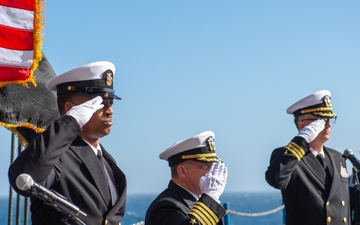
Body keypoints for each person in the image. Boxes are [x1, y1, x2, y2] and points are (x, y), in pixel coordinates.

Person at [8, 61, 127, 225]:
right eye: (99, 104)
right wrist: (69, 122)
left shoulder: (107, 160)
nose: (109, 111)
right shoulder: (56, 155)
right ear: (71, 109)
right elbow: (24, 177)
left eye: (110, 103)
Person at [265, 90, 350, 225]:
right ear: (302, 125)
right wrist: (301, 140)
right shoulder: (288, 157)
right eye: (321, 120)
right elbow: (276, 179)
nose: (328, 125)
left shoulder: (338, 158)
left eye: (329, 119)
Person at [145, 131, 228, 225]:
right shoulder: (165, 207)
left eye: (213, 166)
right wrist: (211, 197)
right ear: (182, 171)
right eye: (205, 166)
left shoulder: (196, 202)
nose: (212, 172)